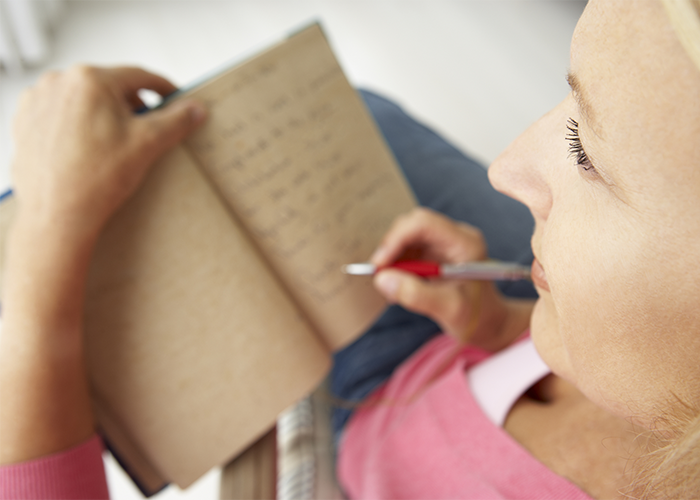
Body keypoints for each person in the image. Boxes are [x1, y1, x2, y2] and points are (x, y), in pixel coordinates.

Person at [1, 0, 699, 498]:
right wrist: (497, 325)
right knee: (361, 116)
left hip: (358, 434)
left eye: (586, 153)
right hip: (454, 346)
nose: (505, 165)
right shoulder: (661, 377)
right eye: (569, 102)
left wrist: (47, 232)